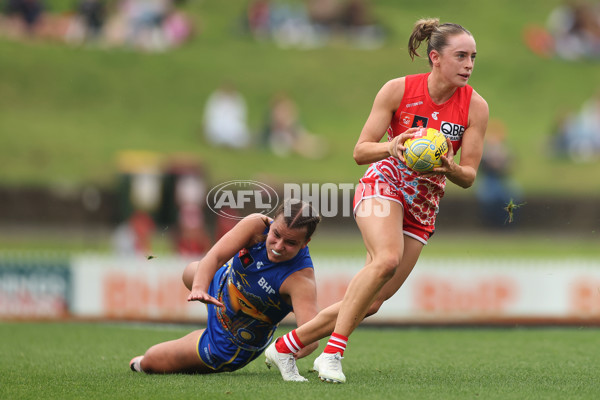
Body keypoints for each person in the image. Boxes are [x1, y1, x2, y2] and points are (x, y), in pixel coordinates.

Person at [264, 18, 489, 383]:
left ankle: (286, 346)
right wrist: (392, 145)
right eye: (461, 56)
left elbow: (469, 175)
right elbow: (360, 151)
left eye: (473, 57)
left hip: (423, 204)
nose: (469, 65)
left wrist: (449, 167)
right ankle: (332, 354)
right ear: (435, 57)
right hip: (384, 182)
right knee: (385, 259)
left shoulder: (476, 107)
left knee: (372, 301)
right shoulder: (398, 90)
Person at [129, 199, 322, 381]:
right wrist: (198, 289)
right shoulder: (256, 225)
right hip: (220, 287)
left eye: (290, 243)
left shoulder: (300, 279)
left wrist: (291, 350)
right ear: (271, 224)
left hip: (232, 341)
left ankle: (194, 344)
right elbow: (215, 257)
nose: (278, 246)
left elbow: (312, 335)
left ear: (306, 243)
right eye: (276, 234)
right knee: (191, 272)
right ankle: (196, 336)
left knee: (150, 361)